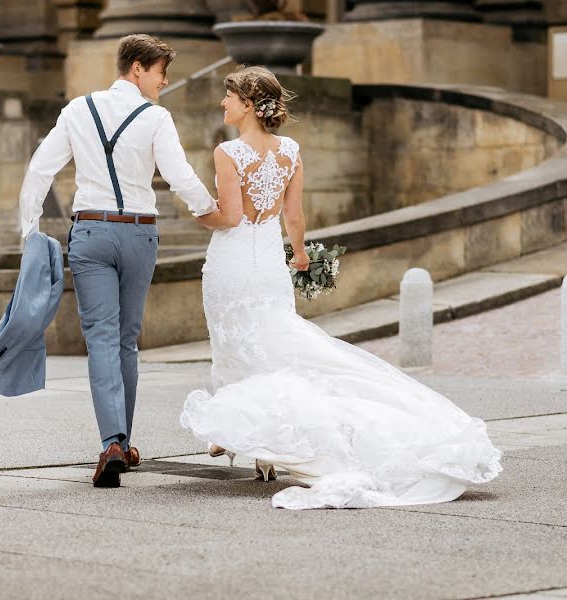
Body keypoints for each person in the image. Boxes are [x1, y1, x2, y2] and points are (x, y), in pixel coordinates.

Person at [182, 66, 503, 510]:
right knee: (275, 344)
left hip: (233, 263)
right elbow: (294, 217)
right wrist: (298, 255)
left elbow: (230, 217)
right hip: (269, 264)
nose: (223, 103)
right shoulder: (289, 150)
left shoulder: (228, 152)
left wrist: (199, 211)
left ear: (251, 106)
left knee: (236, 346)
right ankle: (259, 446)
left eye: (230, 97)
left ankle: (257, 439)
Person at [18, 34, 224, 488]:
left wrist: (29, 227)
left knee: (103, 339)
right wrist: (212, 212)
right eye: (159, 72)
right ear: (136, 68)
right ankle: (121, 443)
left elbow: (39, 168)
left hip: (90, 231)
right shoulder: (156, 118)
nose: (163, 82)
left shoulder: (77, 110)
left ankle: (113, 440)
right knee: (126, 339)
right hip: (138, 233)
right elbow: (178, 174)